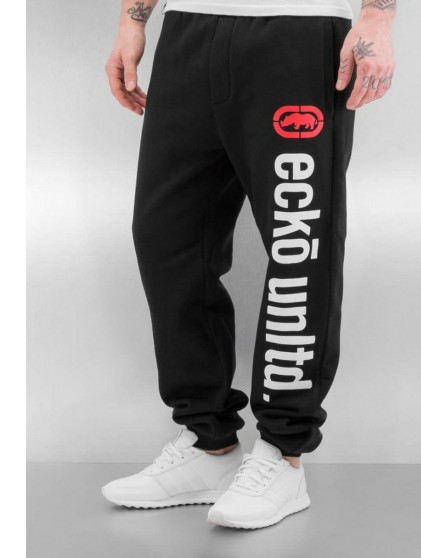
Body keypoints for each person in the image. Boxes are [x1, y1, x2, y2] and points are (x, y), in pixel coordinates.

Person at [102, 0, 396, 529]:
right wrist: (132, 19)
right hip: (189, 28)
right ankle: (208, 443)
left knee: (296, 242)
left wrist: (377, 17)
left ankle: (283, 453)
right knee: (167, 236)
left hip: (298, 34)